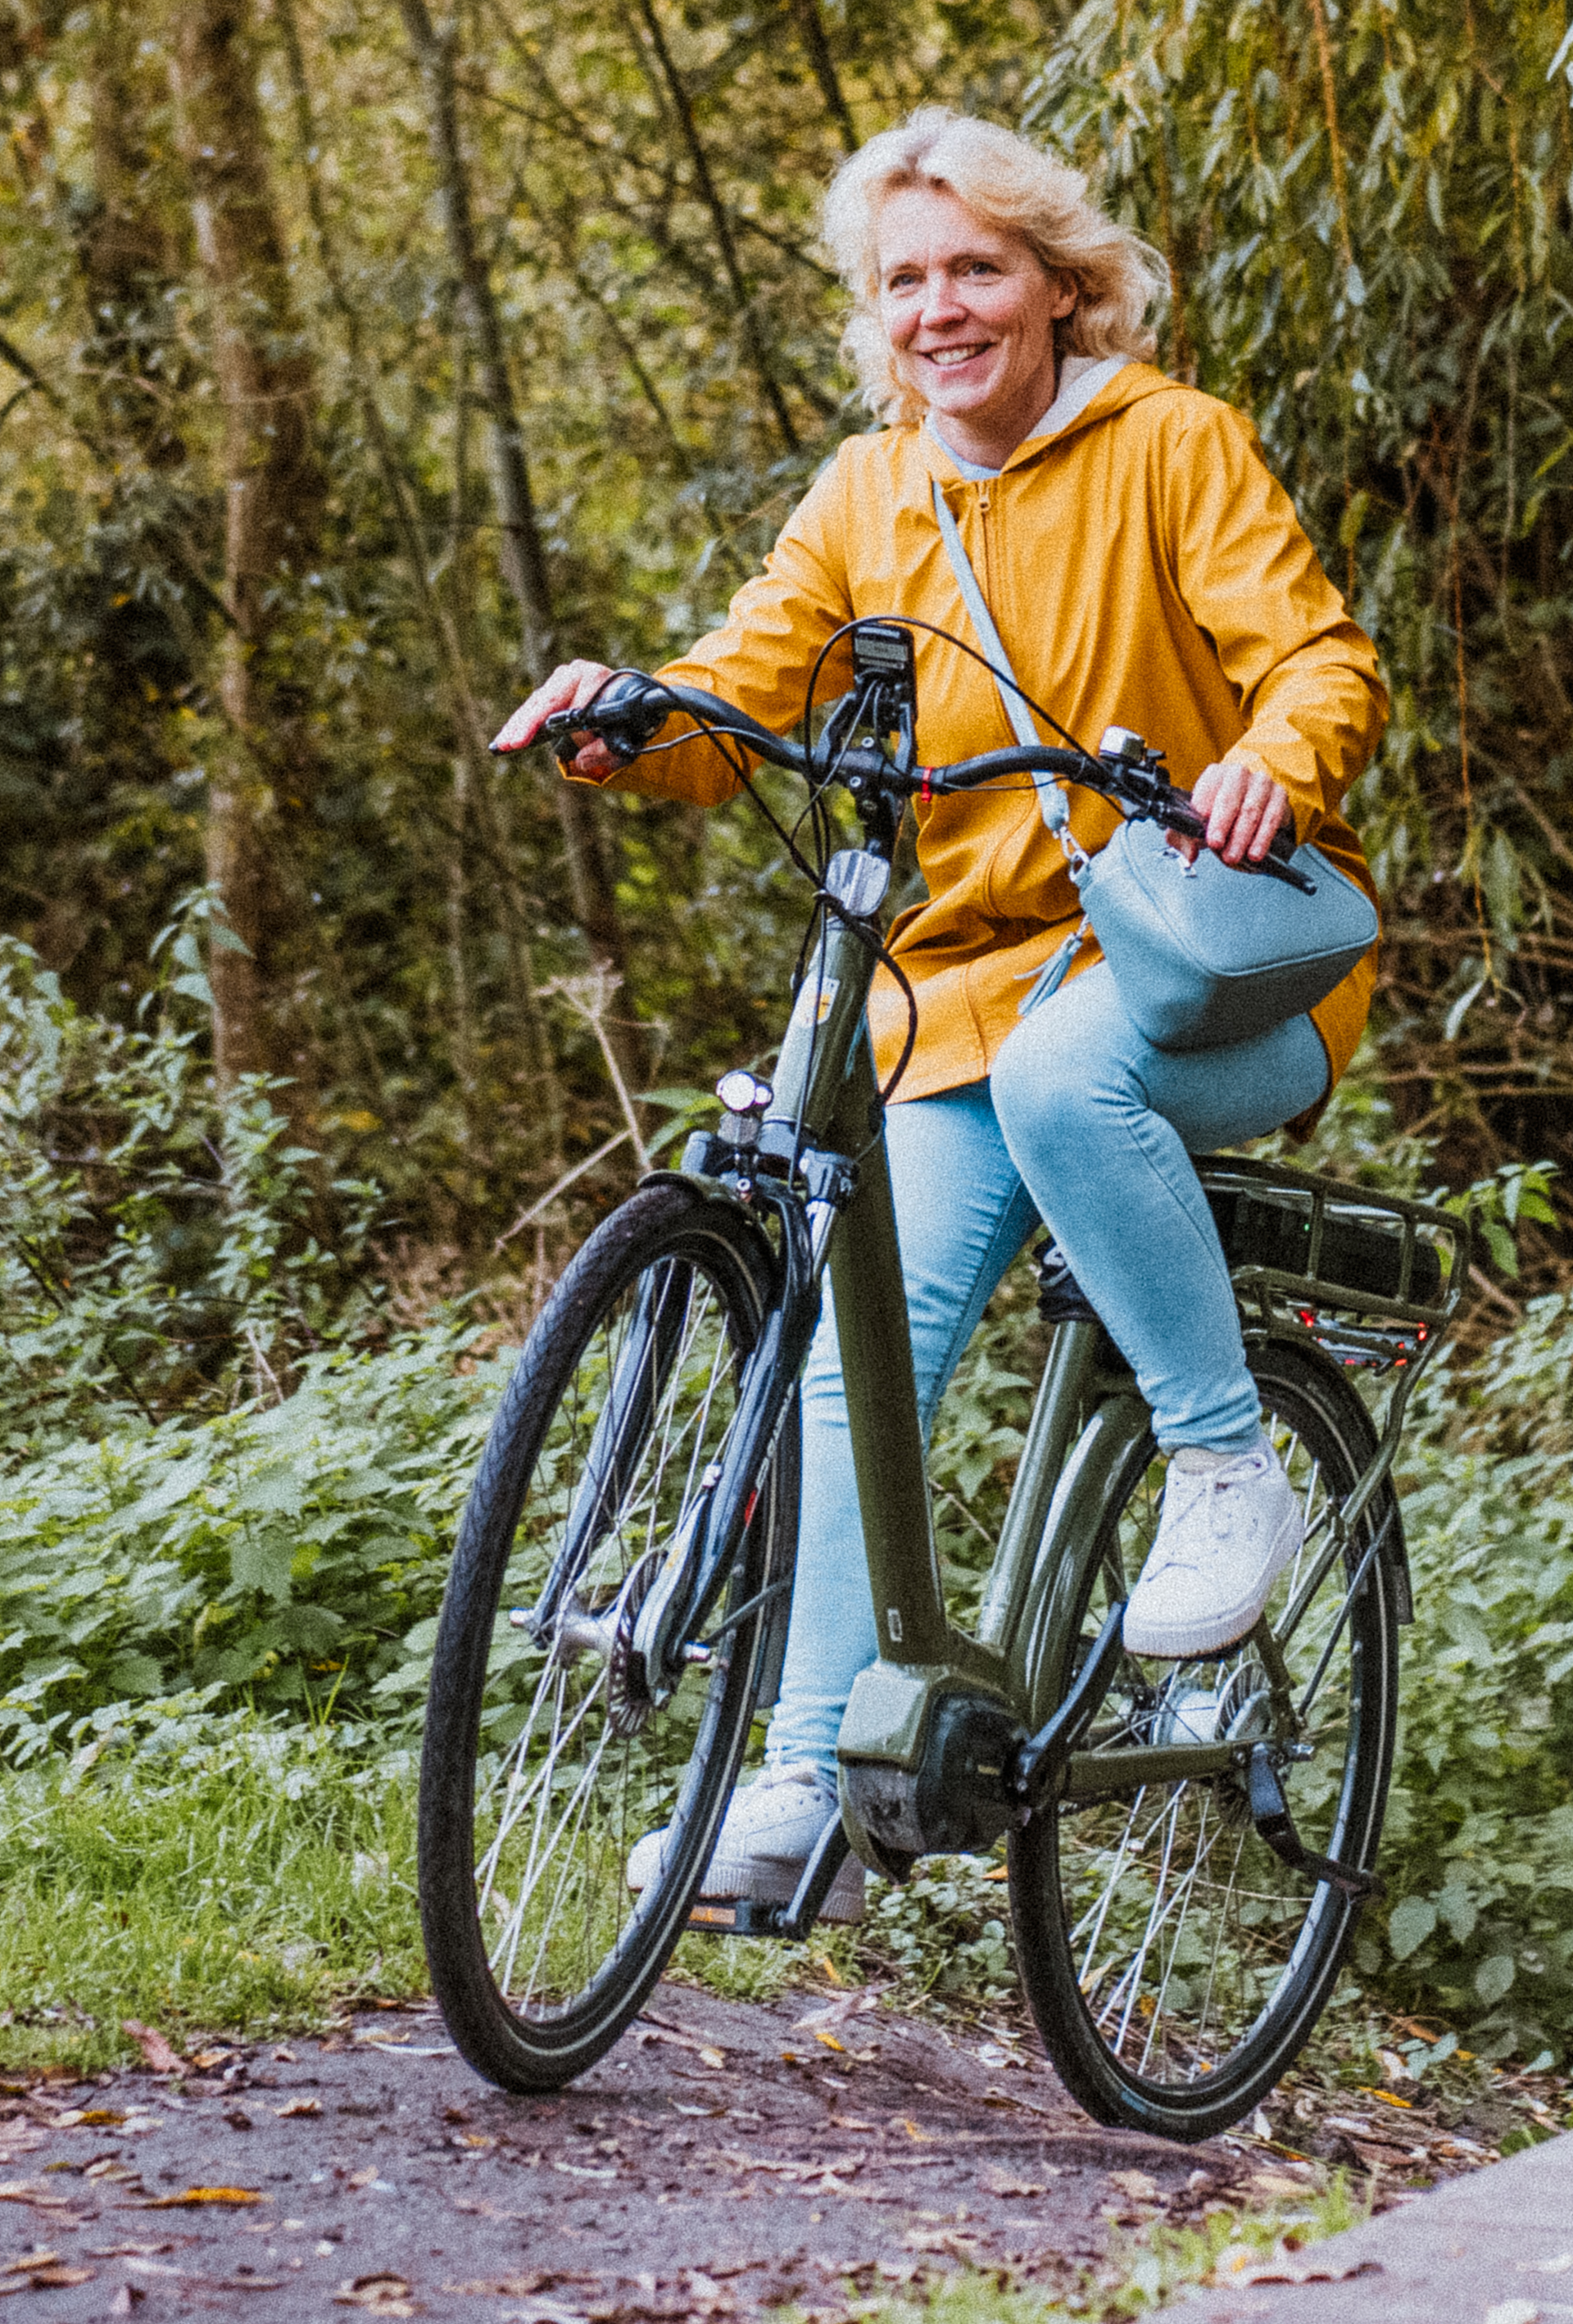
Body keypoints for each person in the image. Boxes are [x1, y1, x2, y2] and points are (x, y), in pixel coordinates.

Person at [488, 107, 1389, 1922]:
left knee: (1075, 1078)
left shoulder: (1175, 449)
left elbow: (1315, 657)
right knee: (851, 1353)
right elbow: (751, 680)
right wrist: (627, 706)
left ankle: (1226, 1466)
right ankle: (811, 1780)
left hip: (1211, 969)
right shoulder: (868, 493)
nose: (940, 307)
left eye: (976, 267)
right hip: (971, 988)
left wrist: (1270, 766)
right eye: (905, 279)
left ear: (1065, 286)